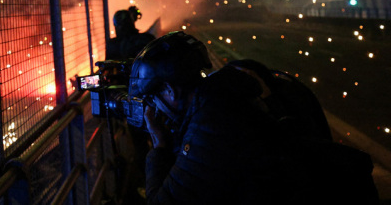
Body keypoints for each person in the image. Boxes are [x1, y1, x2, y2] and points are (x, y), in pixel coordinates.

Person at [128, 31, 378, 205]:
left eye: (152, 100)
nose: (153, 109)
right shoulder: (231, 93)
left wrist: (159, 146)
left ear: (169, 90)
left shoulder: (212, 122)